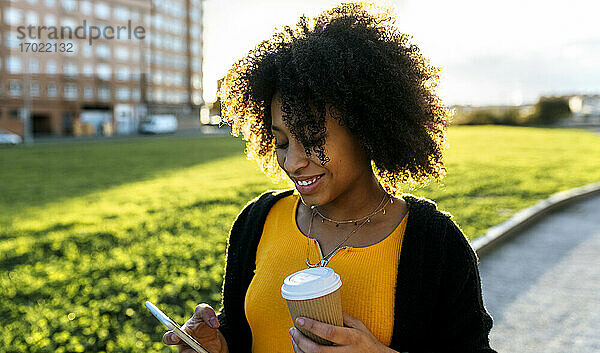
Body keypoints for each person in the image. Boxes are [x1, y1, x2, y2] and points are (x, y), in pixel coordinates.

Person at [163, 2, 496, 352]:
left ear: (366, 128)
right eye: (281, 141)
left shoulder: (435, 245)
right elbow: (244, 331)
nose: (292, 162)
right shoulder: (257, 222)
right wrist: (217, 344)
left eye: (312, 137)